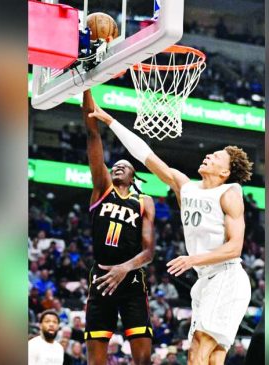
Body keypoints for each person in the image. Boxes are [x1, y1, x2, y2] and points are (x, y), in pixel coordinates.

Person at [88, 98, 254, 365]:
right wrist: (111, 122)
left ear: (226, 171)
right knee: (213, 357)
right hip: (205, 280)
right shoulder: (184, 186)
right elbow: (146, 155)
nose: (208, 155)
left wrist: (191, 259)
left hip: (227, 277)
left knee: (198, 347)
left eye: (216, 157)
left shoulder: (230, 192)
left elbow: (235, 247)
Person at [82, 90, 156, 365]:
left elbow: (148, 252)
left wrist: (124, 268)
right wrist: (86, 87)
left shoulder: (144, 201)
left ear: (134, 176)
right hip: (101, 279)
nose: (118, 167)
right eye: (115, 165)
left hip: (132, 280)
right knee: (96, 359)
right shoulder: (102, 190)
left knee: (143, 360)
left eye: (124, 165)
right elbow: (92, 135)